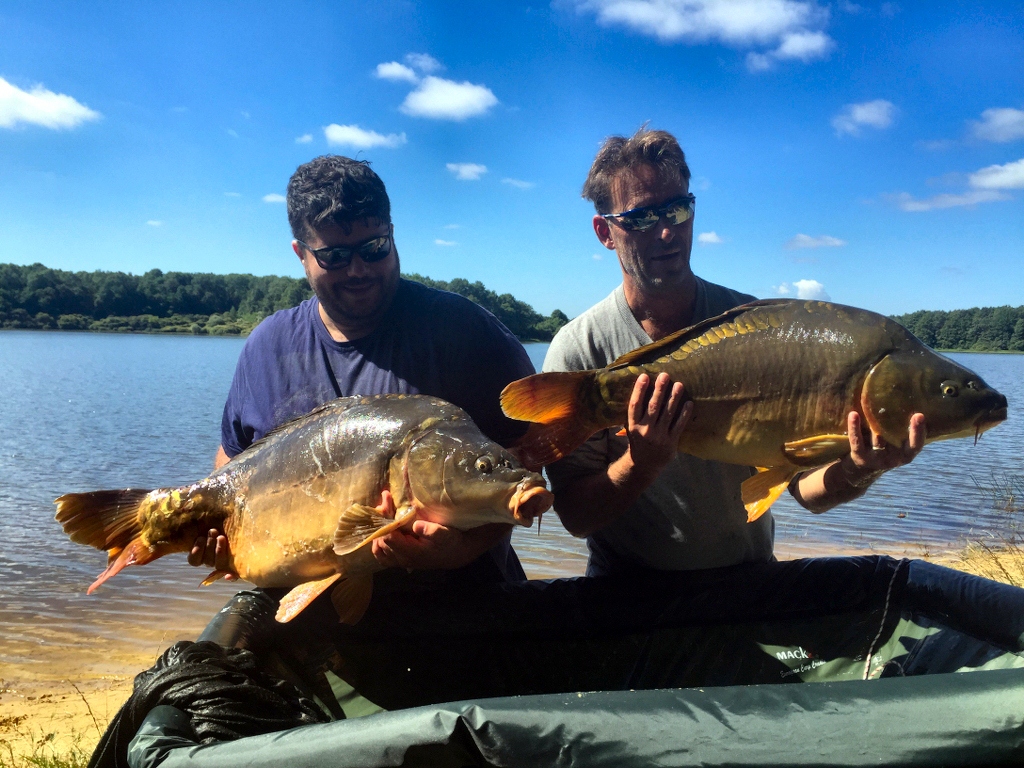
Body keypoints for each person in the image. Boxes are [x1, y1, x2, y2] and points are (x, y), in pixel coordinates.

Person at [543, 127, 926, 577]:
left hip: (748, 587)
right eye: (643, 217)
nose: (667, 231)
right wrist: (640, 465)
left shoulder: (761, 329)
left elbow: (805, 489)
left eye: (678, 209)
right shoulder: (580, 351)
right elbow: (575, 517)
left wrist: (861, 469)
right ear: (605, 232)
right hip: (626, 598)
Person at [189, 154, 534, 584]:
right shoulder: (267, 347)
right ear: (301, 254)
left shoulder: (466, 332)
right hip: (311, 608)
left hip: (458, 606)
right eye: (334, 256)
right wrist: (221, 532)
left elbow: (526, 460)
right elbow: (232, 460)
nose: (358, 269)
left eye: (374, 249)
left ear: (391, 235)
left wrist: (462, 549)